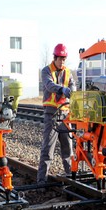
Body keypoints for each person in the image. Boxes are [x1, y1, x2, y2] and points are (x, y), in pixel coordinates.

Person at [37, 43, 76, 184]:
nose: (62, 62)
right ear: (55, 58)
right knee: (48, 148)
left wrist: (72, 89)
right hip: (51, 114)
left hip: (65, 114)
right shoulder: (46, 70)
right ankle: (42, 180)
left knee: (68, 149)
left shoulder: (68, 72)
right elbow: (49, 85)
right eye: (60, 59)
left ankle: (71, 176)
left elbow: (72, 85)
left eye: (64, 59)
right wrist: (62, 89)